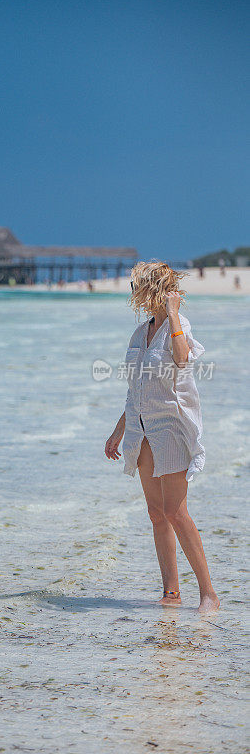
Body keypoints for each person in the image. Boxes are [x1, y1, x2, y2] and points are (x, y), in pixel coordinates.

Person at [104, 261, 220, 614]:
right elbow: (136, 389)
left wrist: (172, 313)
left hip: (170, 427)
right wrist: (118, 430)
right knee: (156, 513)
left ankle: (209, 594)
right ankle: (172, 592)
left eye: (138, 284)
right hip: (141, 429)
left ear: (151, 288)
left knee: (176, 511)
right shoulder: (139, 333)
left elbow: (183, 361)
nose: (133, 291)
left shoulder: (178, 325)